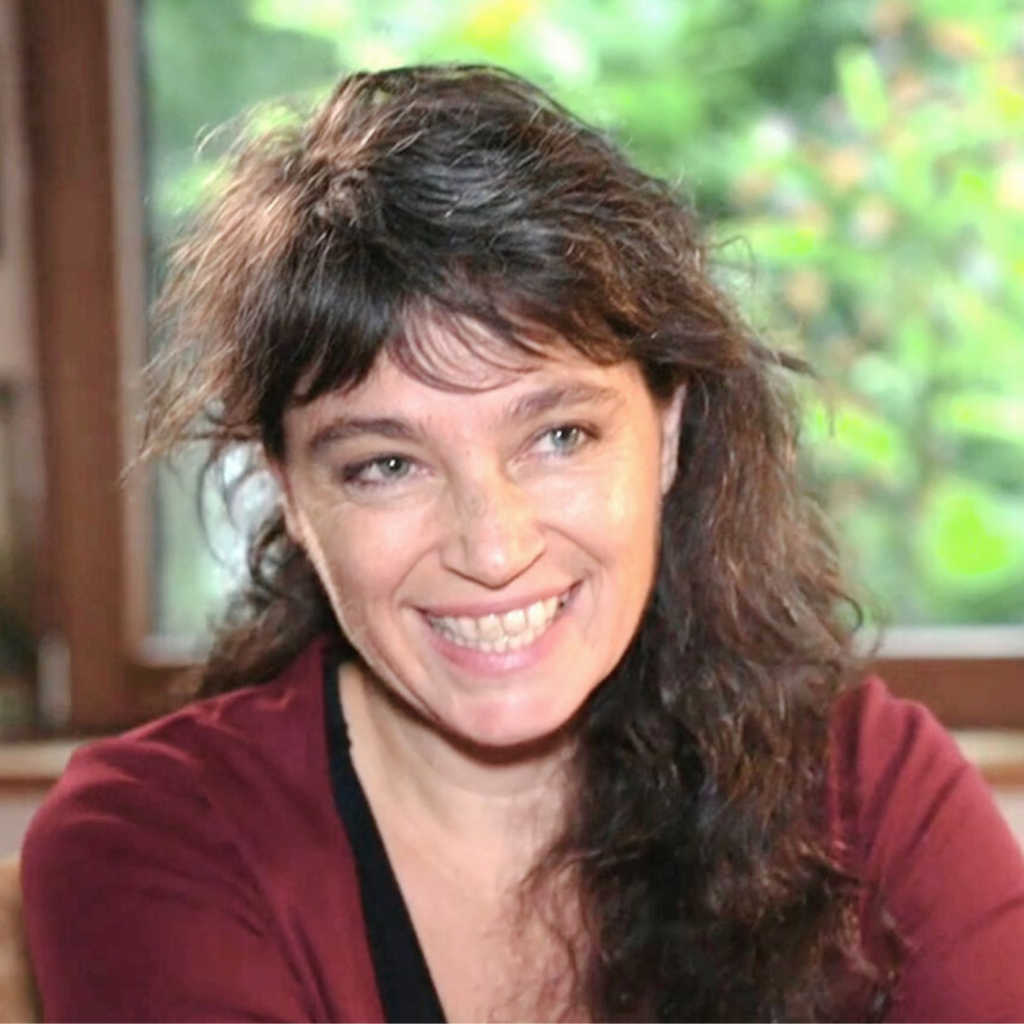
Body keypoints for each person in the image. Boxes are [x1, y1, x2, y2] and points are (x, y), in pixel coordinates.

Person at [19, 64, 1024, 1023]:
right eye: (386, 464)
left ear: (668, 433)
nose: (493, 549)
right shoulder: (156, 843)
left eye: (558, 438)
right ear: (286, 489)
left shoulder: (865, 793)